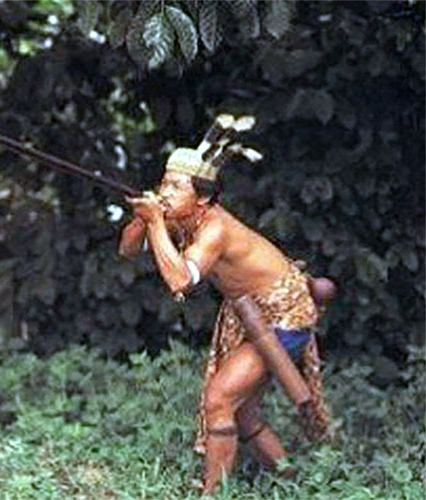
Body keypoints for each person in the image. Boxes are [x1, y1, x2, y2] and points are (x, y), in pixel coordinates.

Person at [118, 114, 331, 495]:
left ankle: (213, 492)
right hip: (252, 316)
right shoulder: (182, 218)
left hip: (285, 317)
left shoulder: (214, 228)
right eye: (163, 184)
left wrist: (154, 223)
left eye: (175, 186)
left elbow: (180, 280)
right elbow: (127, 251)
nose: (165, 192)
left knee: (219, 398)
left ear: (202, 197)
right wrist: (142, 218)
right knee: (242, 411)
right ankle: (295, 481)